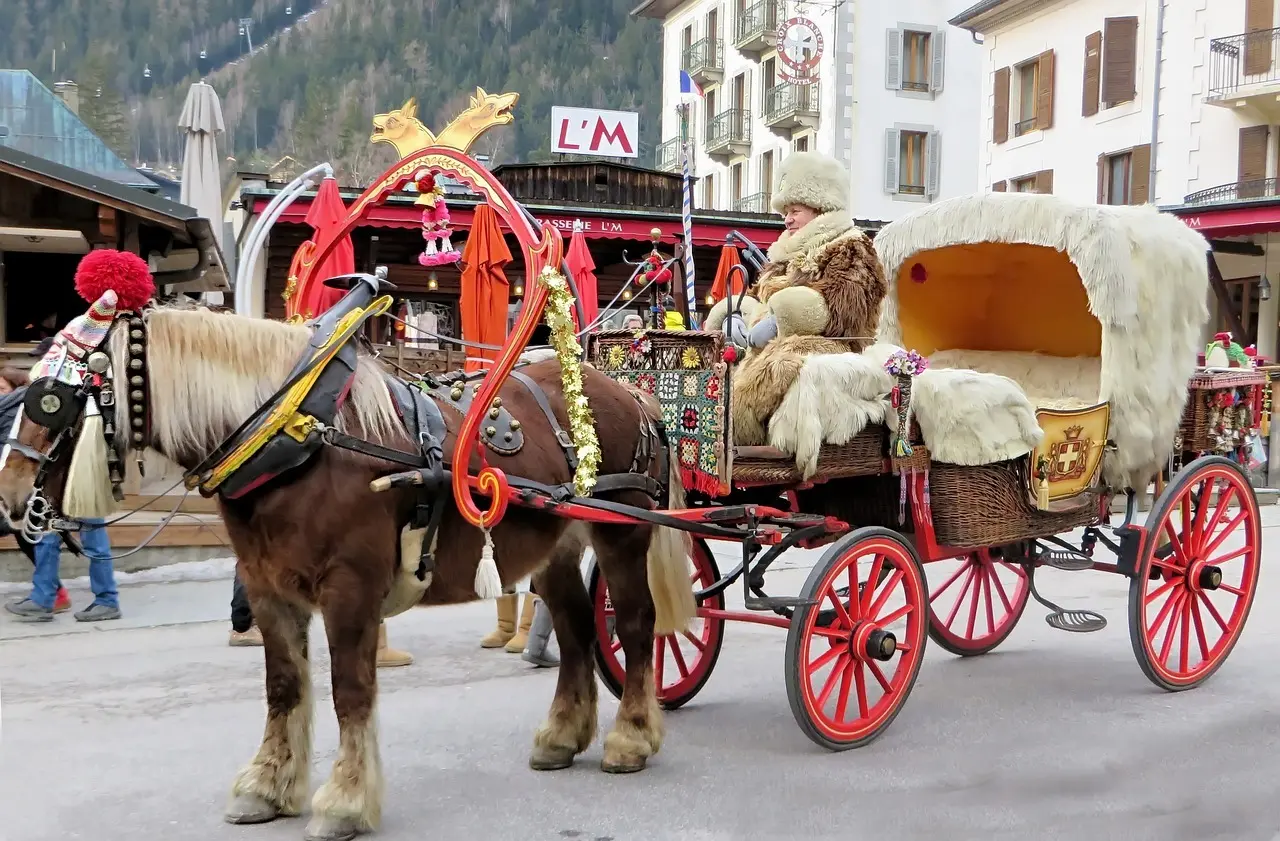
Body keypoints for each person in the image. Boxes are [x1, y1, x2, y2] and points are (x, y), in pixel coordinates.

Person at [705, 150, 888, 446]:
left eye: (795, 211)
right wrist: (735, 317)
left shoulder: (851, 247)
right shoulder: (784, 252)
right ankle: (711, 428)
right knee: (716, 362)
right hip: (771, 341)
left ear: (819, 207)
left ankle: (737, 437)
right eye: (785, 212)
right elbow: (757, 295)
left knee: (774, 367)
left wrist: (780, 320)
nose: (787, 220)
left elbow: (843, 311)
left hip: (832, 344)